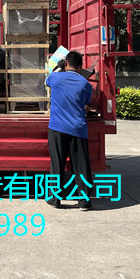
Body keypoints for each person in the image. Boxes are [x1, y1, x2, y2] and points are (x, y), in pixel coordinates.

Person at [45, 50, 94, 210]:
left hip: (57, 128)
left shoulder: (55, 78)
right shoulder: (85, 84)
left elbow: (46, 80)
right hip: (77, 129)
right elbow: (85, 103)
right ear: (80, 67)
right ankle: (84, 201)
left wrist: (59, 67)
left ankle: (55, 199)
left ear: (65, 63)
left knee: (57, 164)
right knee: (81, 166)